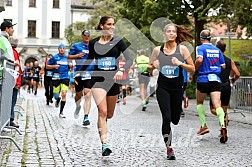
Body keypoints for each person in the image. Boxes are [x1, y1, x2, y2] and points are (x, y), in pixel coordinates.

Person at [148, 23, 195, 160]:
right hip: (163, 87)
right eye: (168, 31)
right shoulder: (158, 50)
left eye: (173, 32)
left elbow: (192, 69)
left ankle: (179, 104)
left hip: (177, 87)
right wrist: (153, 67)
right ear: (164, 34)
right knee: (167, 117)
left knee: (175, 119)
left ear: (176, 34)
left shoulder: (182, 49)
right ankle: (169, 148)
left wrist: (180, 63)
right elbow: (149, 69)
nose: (171, 34)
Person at [87, 16, 133, 156]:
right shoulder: (93, 43)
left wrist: (121, 70)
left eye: (113, 24)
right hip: (98, 79)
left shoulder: (118, 41)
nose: (112, 26)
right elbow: (89, 60)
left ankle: (103, 123)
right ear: (102, 26)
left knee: (110, 114)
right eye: (109, 24)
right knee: (103, 112)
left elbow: (130, 59)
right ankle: (104, 144)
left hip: (113, 80)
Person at [194, 30, 227, 143]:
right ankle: (223, 125)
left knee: (199, 102)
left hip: (203, 78)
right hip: (215, 79)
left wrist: (195, 67)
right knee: (218, 104)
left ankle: (203, 125)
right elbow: (223, 66)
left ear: (201, 38)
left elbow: (199, 59)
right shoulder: (217, 50)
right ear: (210, 38)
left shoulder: (200, 48)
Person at [209, 40, 240, 127]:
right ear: (225, 49)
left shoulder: (212, 60)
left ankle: (223, 116)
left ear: (216, 49)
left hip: (215, 86)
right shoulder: (229, 61)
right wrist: (233, 79)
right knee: (224, 109)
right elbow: (237, 74)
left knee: (213, 109)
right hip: (226, 85)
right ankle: (224, 130)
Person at [68, 29, 94, 126]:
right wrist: (77, 55)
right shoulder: (76, 45)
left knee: (88, 94)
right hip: (79, 73)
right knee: (78, 95)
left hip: (89, 73)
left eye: (88, 35)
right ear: (82, 36)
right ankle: (78, 106)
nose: (86, 37)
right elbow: (69, 57)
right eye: (85, 35)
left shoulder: (93, 46)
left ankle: (86, 116)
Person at [47, 43, 70, 118]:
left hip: (65, 77)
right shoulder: (54, 57)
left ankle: (61, 112)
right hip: (56, 77)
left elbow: (71, 67)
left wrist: (72, 66)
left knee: (64, 93)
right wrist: (54, 66)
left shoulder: (67, 58)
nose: (62, 49)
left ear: (65, 49)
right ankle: (57, 99)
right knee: (56, 95)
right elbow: (47, 66)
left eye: (63, 48)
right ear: (58, 49)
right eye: (60, 48)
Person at [9, 36, 22, 128]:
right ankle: (10, 119)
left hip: (13, 80)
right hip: (14, 81)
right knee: (12, 101)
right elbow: (16, 69)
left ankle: (10, 119)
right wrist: (17, 83)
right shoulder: (13, 52)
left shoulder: (13, 51)